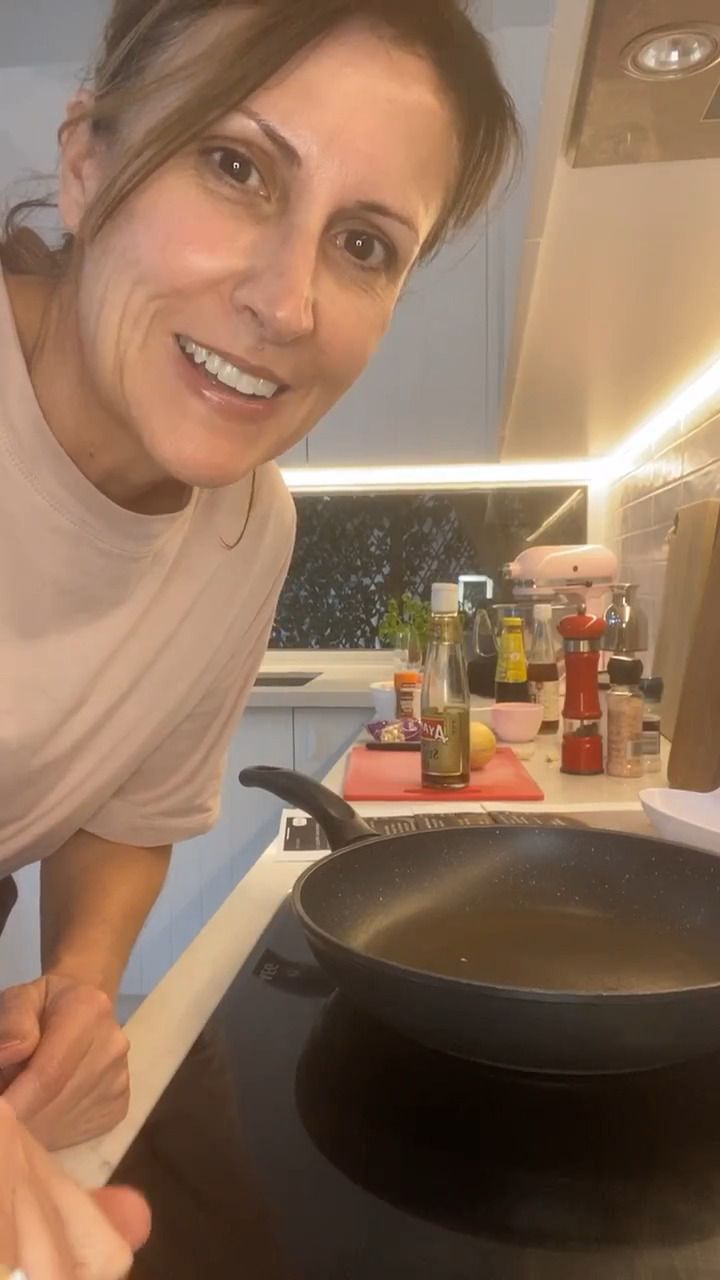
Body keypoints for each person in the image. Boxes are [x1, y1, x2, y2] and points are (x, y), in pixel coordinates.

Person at [0, 0, 519, 1273]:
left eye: (363, 242)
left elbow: (131, 802)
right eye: (236, 166)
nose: (286, 302)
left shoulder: (247, 526)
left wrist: (79, 989)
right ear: (87, 162)